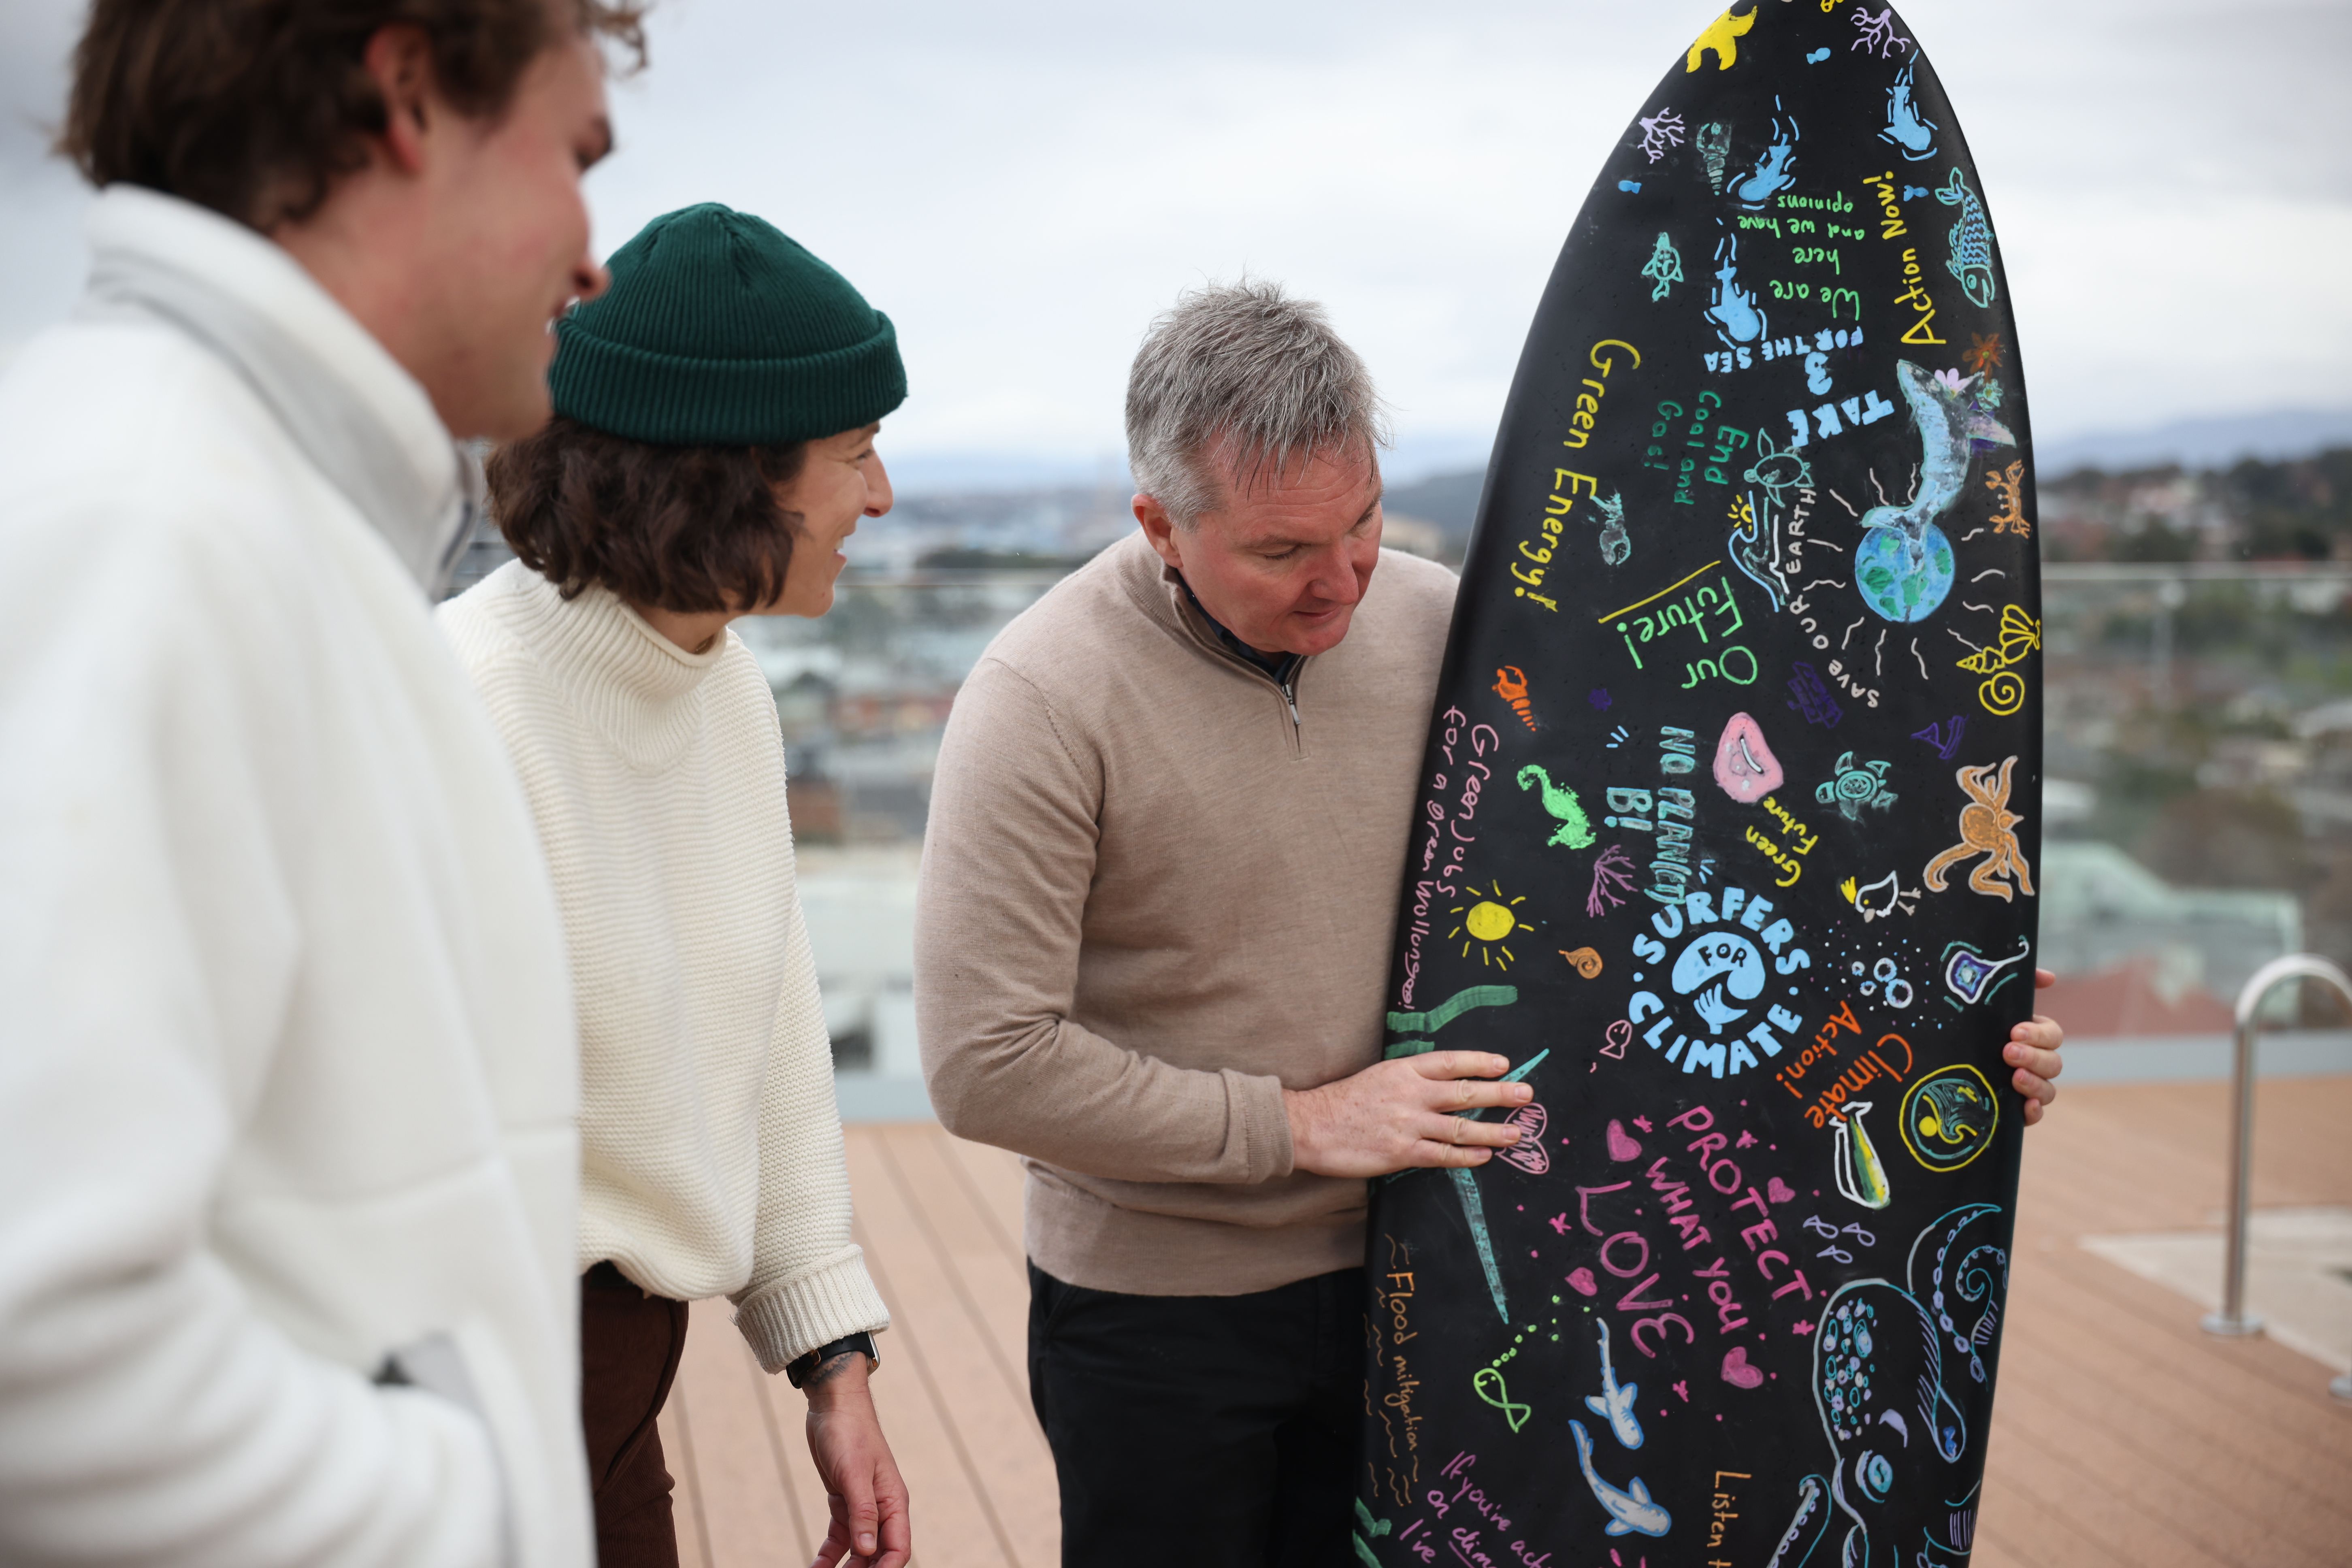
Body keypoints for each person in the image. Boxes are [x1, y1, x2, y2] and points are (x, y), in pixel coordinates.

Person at [912, 280, 2068, 1564]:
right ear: (1160, 526)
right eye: (1283, 551)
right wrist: (1301, 1126)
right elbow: (986, 1064)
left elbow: (1665, 883)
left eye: (1359, 524)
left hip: (1454, 1275)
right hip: (1158, 1312)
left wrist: (1935, 1025)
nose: (1339, 581)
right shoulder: (1041, 696)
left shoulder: (1442, 624)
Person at [0, 1, 643, 1564]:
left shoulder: (223, 506)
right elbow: (32, 1332)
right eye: (575, 155)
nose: (593, 256)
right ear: (408, 91)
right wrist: (463, 1512)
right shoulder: (146, 525)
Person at [440, 203, 909, 1568]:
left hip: (616, 1393)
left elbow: (767, 1024)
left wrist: (832, 1356)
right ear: (727, 479)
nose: (878, 501)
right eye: (857, 454)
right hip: (461, 1407)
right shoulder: (457, 707)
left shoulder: (726, 690)